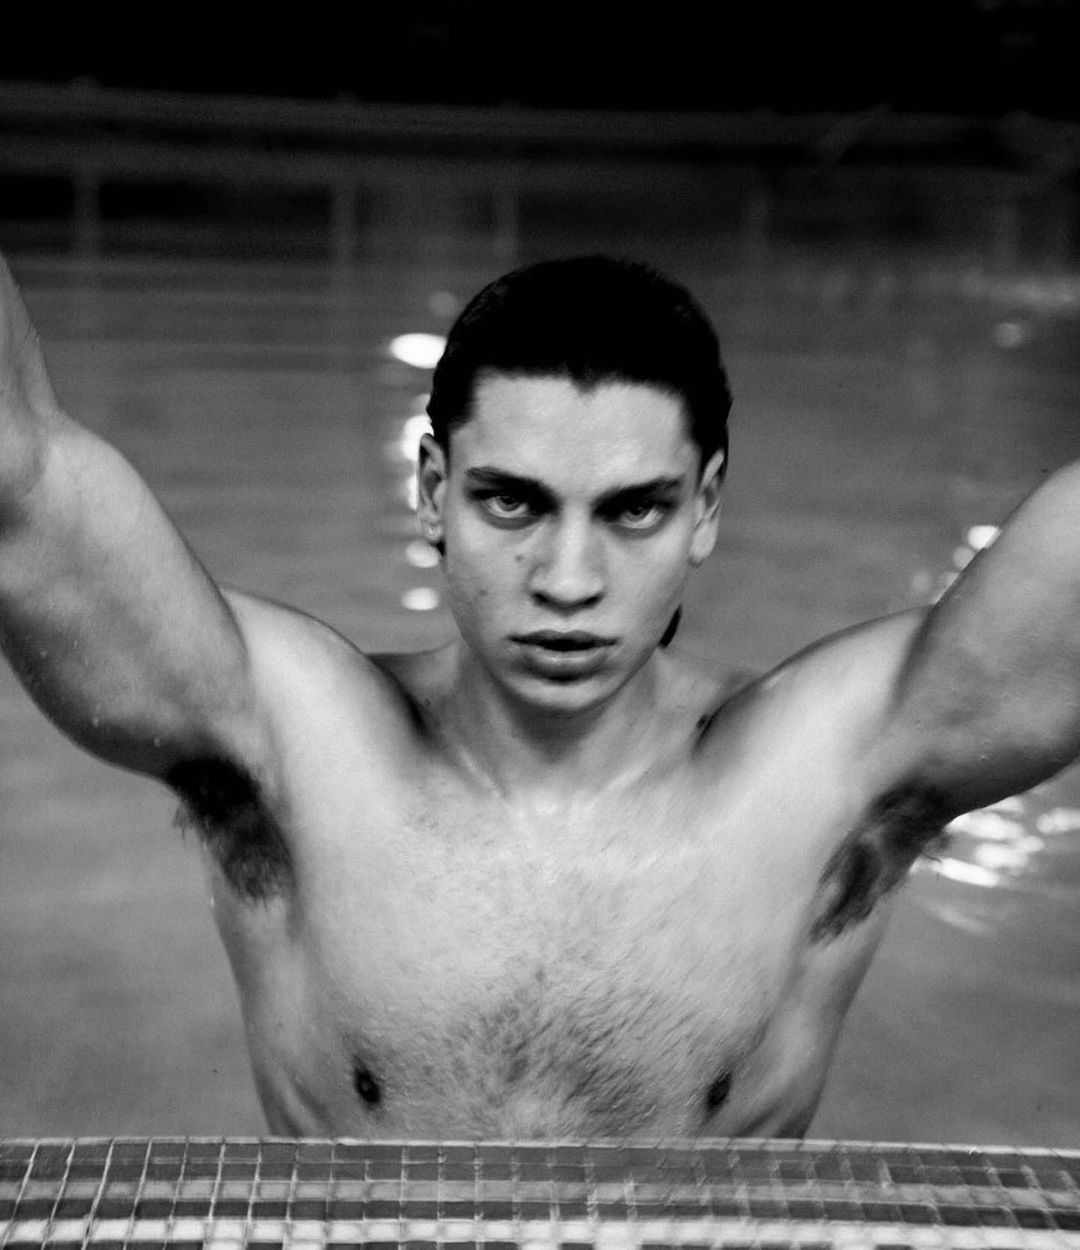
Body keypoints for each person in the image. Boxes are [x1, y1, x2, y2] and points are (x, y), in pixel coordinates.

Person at [1, 251, 1077, 1141]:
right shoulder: (284, 743)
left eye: (634, 511)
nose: (568, 581)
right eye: (513, 503)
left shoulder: (830, 772)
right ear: (434, 492)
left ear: (705, 507)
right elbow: (17, 478)